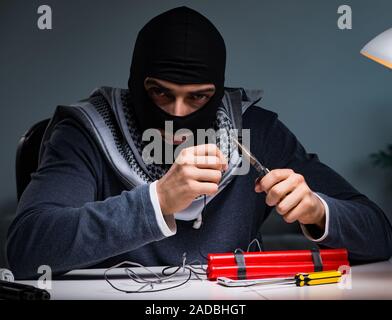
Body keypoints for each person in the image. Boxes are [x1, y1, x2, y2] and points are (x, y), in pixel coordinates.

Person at [7, 6, 392, 279]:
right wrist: (158, 201)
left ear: (218, 92)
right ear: (135, 83)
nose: (176, 114)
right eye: (159, 93)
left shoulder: (255, 130)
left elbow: (379, 235)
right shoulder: (85, 132)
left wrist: (317, 211)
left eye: (198, 97)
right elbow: (27, 250)